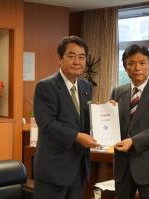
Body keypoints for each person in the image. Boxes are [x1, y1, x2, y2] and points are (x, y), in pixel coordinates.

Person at [33, 35, 100, 199]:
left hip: (79, 170)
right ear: (60, 59)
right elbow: (47, 124)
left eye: (81, 57)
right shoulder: (45, 87)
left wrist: (106, 111)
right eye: (71, 56)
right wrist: (77, 137)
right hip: (53, 171)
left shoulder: (85, 87)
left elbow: (85, 120)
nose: (77, 61)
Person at [110, 44, 149, 199]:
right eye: (131, 63)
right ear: (125, 67)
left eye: (142, 62)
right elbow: (112, 125)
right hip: (122, 165)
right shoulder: (117, 92)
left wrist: (133, 141)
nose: (137, 67)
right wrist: (107, 111)